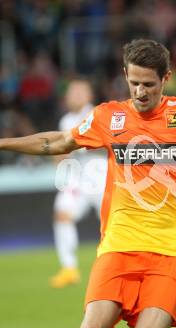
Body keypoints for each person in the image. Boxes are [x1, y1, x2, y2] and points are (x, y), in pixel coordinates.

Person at [0, 38, 176, 328]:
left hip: (173, 254)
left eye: (149, 84)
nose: (140, 92)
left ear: (166, 78)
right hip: (118, 249)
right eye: (134, 82)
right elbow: (59, 142)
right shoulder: (108, 117)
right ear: (125, 74)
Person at [50, 79, 107, 288]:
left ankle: (118, 268)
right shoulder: (66, 121)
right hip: (78, 178)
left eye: (79, 92)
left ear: (89, 95)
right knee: (62, 213)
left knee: (112, 224)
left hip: (101, 175)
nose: (74, 96)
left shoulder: (99, 114)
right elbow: (61, 151)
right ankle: (69, 268)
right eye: (71, 92)